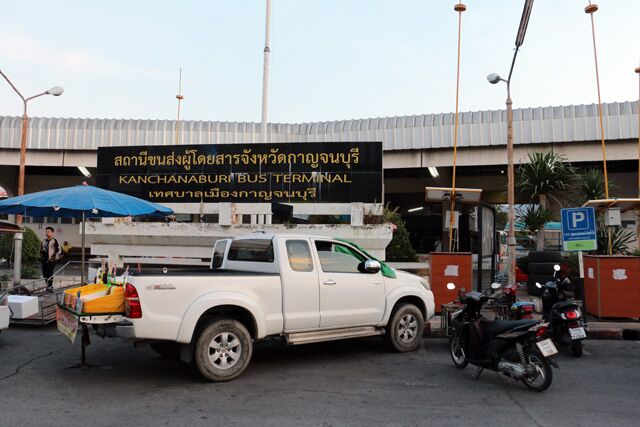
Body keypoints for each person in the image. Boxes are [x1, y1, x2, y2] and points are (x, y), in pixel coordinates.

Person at [41, 226, 61, 293]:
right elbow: (41, 250)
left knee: (50, 274)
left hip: (51, 260)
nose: (47, 233)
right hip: (44, 260)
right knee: (44, 274)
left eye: (49, 232)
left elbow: (59, 250)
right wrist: (41, 256)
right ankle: (48, 286)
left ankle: (50, 287)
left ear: (52, 233)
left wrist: (54, 258)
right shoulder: (44, 241)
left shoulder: (55, 241)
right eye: (46, 232)